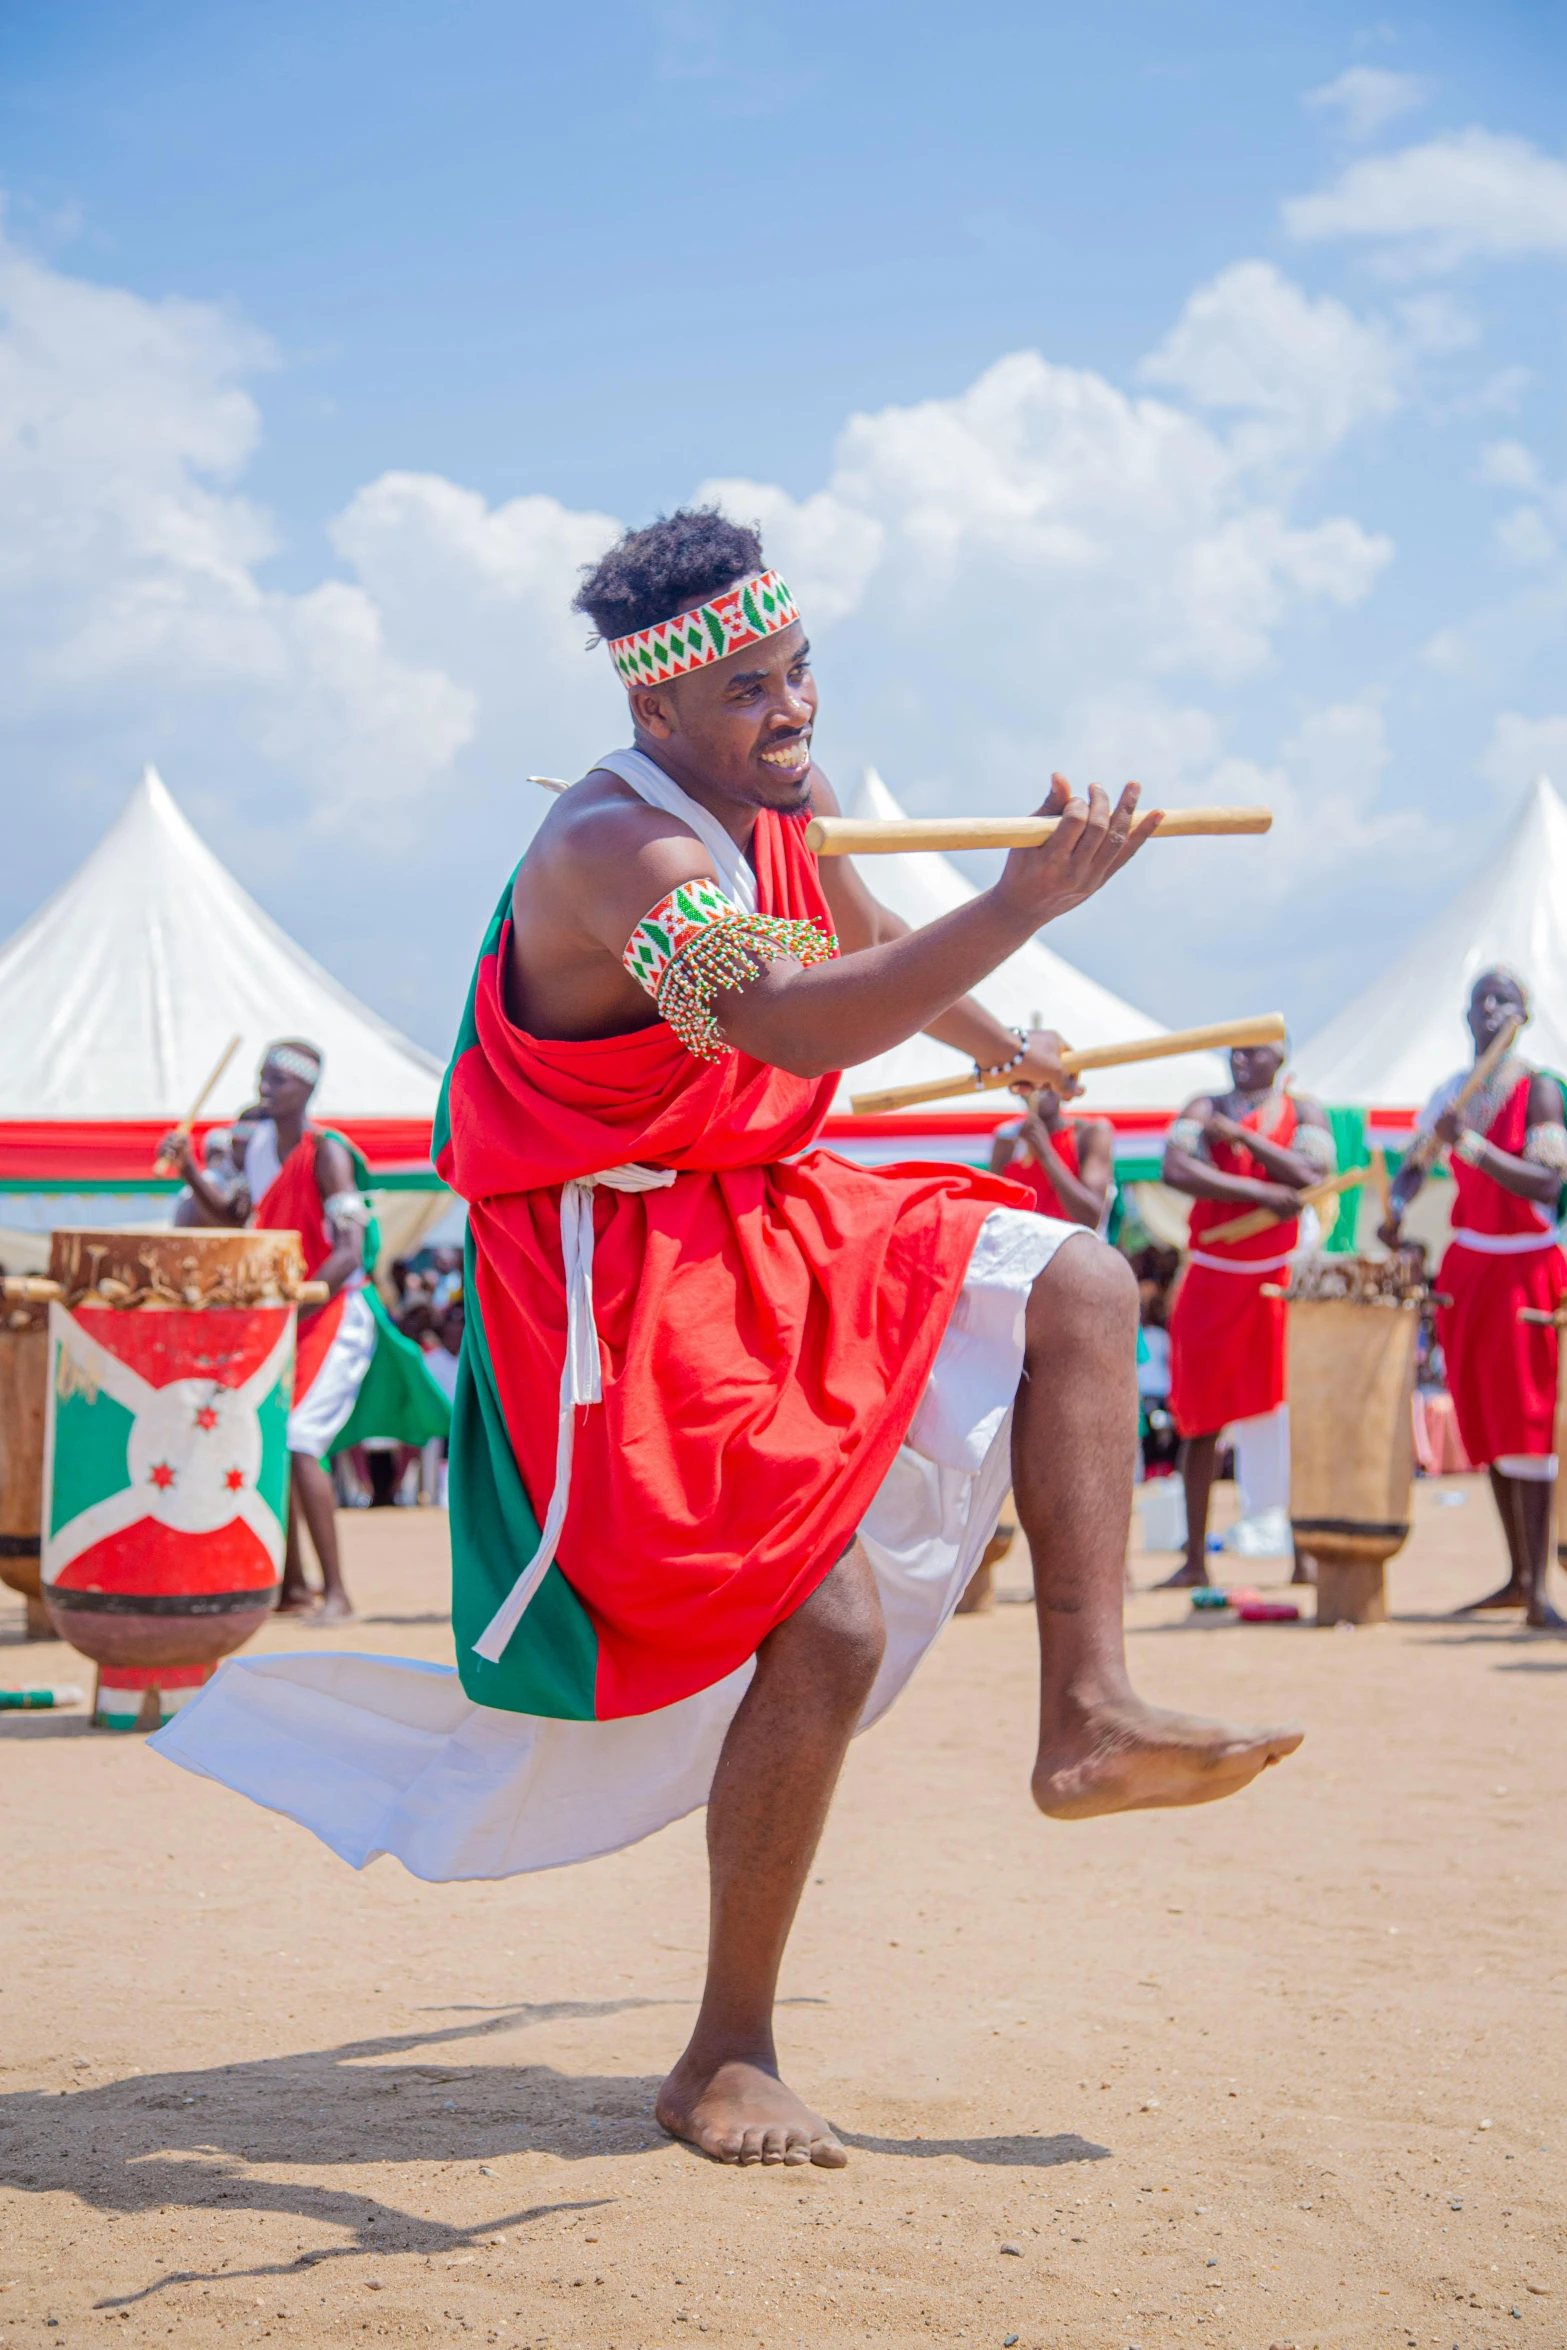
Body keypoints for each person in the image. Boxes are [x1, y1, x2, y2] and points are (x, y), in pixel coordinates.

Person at [156, 510, 1301, 2171]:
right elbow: (777, 1012)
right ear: (653, 715)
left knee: (1085, 1288)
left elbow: (842, 931)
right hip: (611, 1273)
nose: (793, 713)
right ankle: (724, 2055)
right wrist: (1019, 913)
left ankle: (1090, 1713)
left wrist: (1003, 1045)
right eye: (750, 690)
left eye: (799, 669)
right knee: (818, 1622)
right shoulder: (616, 855)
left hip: (754, 1199)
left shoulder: (786, 794)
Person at [1380, 969, 1567, 1627]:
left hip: (1524, 1269)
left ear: (1523, 1015)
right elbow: (1411, 1166)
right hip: (1468, 1269)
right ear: (1464, 1018)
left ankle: (1538, 1585)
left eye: (1503, 1000)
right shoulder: (1447, 1094)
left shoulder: (1538, 1090)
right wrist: (1395, 1209)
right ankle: (1516, 1577)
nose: (1488, 1010)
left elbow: (1546, 1182)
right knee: (1485, 1420)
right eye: (1479, 1001)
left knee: (1527, 1418)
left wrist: (1474, 1147)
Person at [165, 1041, 371, 1619]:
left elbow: (348, 1251)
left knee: (300, 1438)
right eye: (262, 1077)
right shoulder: (257, 1149)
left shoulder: (327, 1153)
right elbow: (232, 1216)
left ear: (307, 1088)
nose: (265, 1087)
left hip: (333, 1311)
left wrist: (296, 1305)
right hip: (288, 1311)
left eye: (279, 1079)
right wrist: (187, 1169)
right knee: (270, 1435)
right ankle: (292, 1586)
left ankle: (338, 1593)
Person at [1161, 1044, 1334, 1587]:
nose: (1241, 1058)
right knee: (1201, 1419)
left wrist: (1244, 1140)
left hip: (1276, 1278)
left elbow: (1310, 1174)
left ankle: (1302, 1556)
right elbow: (1175, 1167)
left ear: (1280, 1057)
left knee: (1286, 1411)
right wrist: (1258, 1189)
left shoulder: (1305, 1113)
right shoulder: (1202, 1106)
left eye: (1255, 1049)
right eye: (1236, 1048)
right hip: (1211, 1274)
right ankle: (1195, 1560)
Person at [988, 1085, 1114, 1231]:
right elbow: (997, 1216)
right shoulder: (1006, 1140)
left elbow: (1091, 1219)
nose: (1040, 1086)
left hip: (1074, 1250)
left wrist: (1045, 1153)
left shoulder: (1089, 1134)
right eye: (1033, 1080)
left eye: (1049, 1081)